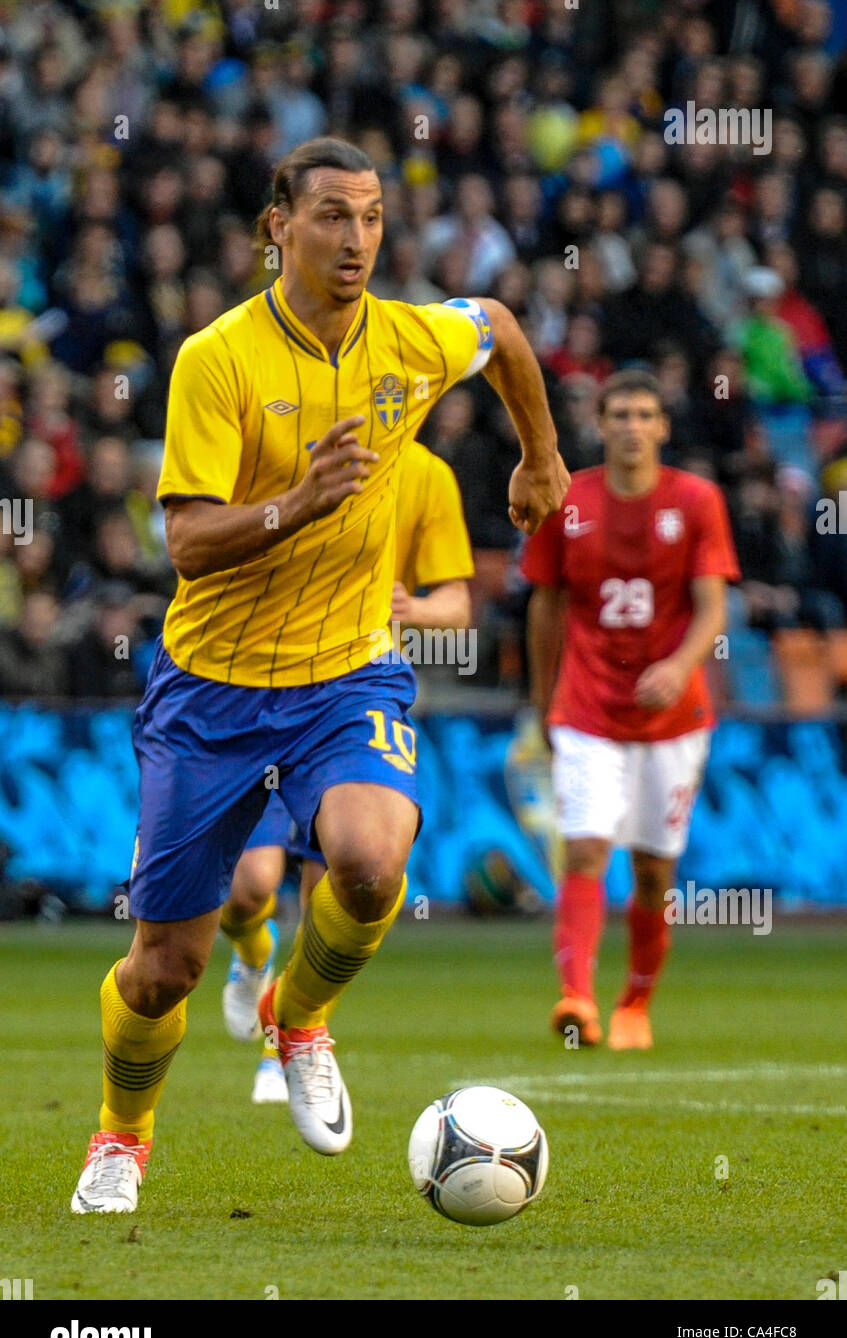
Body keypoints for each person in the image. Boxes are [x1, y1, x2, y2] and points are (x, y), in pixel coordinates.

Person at [71, 136, 567, 1213]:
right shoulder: (218, 357)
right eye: (333, 215)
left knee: (371, 861)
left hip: (348, 673)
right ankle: (121, 1136)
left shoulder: (409, 339)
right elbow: (188, 543)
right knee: (164, 970)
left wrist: (539, 455)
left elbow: (502, 327)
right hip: (210, 688)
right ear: (277, 227)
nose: (357, 239)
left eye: (374, 216)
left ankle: (298, 1019)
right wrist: (302, 499)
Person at [219, 438, 475, 1103]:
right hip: (258, 688)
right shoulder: (277, 440)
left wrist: (415, 609)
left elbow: (457, 602)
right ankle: (250, 953)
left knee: (338, 877)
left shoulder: (425, 471)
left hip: (349, 698)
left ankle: (287, 1045)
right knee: (247, 888)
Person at [523, 370, 738, 1051]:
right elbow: (545, 602)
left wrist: (677, 667)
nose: (630, 425)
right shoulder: (568, 500)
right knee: (584, 850)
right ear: (600, 421)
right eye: (618, 413)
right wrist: (543, 699)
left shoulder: (696, 500)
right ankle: (576, 1000)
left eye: (644, 414)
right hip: (586, 707)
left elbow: (712, 607)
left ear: (662, 427)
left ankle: (634, 1002)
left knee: (652, 873)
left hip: (671, 718)